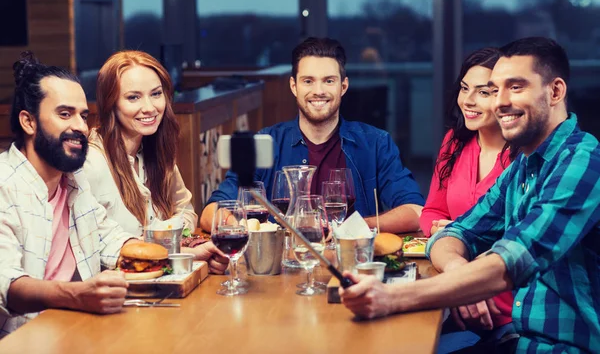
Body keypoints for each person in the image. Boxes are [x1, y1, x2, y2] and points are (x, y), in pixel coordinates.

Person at [339, 37, 600, 353]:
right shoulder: (523, 168)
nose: (499, 102)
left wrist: (392, 297)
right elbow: (454, 232)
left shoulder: (583, 161)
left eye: (515, 87)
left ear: (555, 92)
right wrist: (457, 269)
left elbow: (515, 259)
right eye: (496, 88)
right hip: (515, 338)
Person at [200, 37, 424, 233]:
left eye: (329, 80)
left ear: (343, 86)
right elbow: (211, 212)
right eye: (308, 81)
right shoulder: (265, 143)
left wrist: (357, 227)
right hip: (281, 270)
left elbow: (416, 211)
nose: (319, 91)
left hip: (351, 266)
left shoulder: (376, 143)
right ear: (294, 86)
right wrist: (244, 230)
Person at [0, 53, 138, 337]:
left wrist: (182, 254)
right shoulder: (4, 184)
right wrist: (77, 295)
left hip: (81, 330)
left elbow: (110, 238)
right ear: (29, 122)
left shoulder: (73, 179)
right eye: (65, 114)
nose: (81, 127)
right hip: (23, 340)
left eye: (83, 115)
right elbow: (7, 284)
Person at [82, 51, 228, 274]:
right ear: (111, 103)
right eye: (133, 97)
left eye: (156, 94)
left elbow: (186, 211)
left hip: (160, 279)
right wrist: (170, 241)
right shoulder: (90, 163)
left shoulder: (155, 152)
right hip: (116, 289)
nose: (150, 107)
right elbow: (98, 245)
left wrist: (169, 242)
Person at [419, 48, 518, 351]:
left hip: (509, 311)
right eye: (464, 88)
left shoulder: (522, 155)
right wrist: (452, 242)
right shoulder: (454, 142)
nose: (469, 101)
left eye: (483, 92)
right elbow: (431, 211)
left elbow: (518, 241)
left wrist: (456, 237)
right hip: (458, 294)